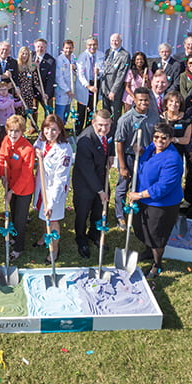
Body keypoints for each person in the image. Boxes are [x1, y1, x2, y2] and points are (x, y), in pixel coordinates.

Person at [126, 122, 184, 279]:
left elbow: (163, 187)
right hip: (144, 199)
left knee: (156, 235)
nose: (159, 140)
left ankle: (157, 264)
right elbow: (148, 155)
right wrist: (142, 150)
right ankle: (148, 251)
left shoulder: (173, 159)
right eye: (156, 137)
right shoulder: (152, 148)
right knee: (142, 227)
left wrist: (139, 195)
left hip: (162, 204)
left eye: (164, 138)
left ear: (171, 139)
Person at [72, 109, 113, 259]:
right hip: (85, 182)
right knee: (82, 213)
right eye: (100, 125)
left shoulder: (108, 131)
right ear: (93, 122)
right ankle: (81, 238)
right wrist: (100, 190)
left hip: (101, 176)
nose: (104, 129)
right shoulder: (85, 141)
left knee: (99, 209)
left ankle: (95, 234)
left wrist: (111, 154)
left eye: (107, 125)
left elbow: (110, 141)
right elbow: (87, 171)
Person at [34, 114, 74, 264]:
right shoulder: (43, 140)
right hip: (42, 185)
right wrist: (38, 151)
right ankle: (45, 236)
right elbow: (37, 146)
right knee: (42, 214)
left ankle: (54, 249)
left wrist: (51, 202)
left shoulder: (64, 150)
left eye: (54, 130)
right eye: (47, 129)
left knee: (53, 218)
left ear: (60, 131)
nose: (49, 133)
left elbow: (60, 178)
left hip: (53, 189)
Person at [114, 88, 157, 228]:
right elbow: (119, 142)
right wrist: (122, 166)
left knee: (141, 185)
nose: (144, 102)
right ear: (135, 101)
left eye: (146, 100)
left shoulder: (154, 116)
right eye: (141, 100)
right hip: (128, 157)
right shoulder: (126, 119)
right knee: (123, 186)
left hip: (146, 158)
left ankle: (136, 212)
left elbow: (156, 138)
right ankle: (120, 215)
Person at [0, 115, 35, 261]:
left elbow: (26, 175)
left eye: (17, 131)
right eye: (11, 131)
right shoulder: (6, 140)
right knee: (13, 212)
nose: (13, 134)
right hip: (10, 183)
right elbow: (2, 157)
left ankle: (18, 248)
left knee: (20, 218)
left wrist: (12, 192)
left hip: (24, 188)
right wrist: (2, 175)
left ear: (22, 131)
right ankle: (14, 236)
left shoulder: (28, 149)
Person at [76, 37, 103, 132]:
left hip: (95, 83)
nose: (92, 47)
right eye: (90, 45)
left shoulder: (101, 55)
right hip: (85, 85)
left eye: (94, 44)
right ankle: (78, 130)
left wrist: (99, 72)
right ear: (86, 45)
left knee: (92, 108)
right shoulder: (82, 56)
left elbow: (104, 69)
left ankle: (88, 129)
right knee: (82, 109)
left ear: (97, 45)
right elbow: (80, 74)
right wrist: (88, 86)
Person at [100, 33, 130, 119]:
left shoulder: (125, 55)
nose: (114, 42)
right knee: (105, 113)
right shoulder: (108, 52)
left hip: (115, 91)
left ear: (121, 41)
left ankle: (115, 132)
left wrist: (113, 91)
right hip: (105, 88)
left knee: (115, 115)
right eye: (112, 41)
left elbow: (121, 74)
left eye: (116, 40)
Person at [15, 45, 42, 128]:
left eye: (26, 54)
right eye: (23, 53)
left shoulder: (31, 67)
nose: (24, 56)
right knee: (18, 116)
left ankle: (23, 131)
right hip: (19, 94)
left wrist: (42, 92)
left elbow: (36, 81)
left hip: (28, 94)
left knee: (26, 114)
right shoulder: (16, 65)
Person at [32, 38, 56, 114]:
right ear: (35, 47)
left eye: (42, 47)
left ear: (45, 48)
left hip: (45, 91)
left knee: (48, 112)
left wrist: (47, 93)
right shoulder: (30, 56)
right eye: (38, 47)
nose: (40, 49)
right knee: (33, 113)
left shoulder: (50, 60)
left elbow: (51, 79)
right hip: (33, 90)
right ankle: (33, 126)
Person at [54, 39, 76, 122]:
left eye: (70, 48)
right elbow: (59, 77)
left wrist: (74, 69)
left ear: (73, 48)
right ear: (63, 48)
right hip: (62, 91)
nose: (68, 50)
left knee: (67, 111)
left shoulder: (73, 58)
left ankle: (63, 127)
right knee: (60, 112)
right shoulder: (59, 59)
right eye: (66, 48)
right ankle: (59, 129)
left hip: (71, 89)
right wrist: (67, 90)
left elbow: (76, 72)